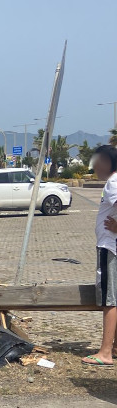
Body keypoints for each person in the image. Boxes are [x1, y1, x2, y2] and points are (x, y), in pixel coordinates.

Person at [83, 145, 117, 366]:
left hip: (109, 247)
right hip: (112, 246)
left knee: (109, 300)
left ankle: (105, 352)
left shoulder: (113, 182)